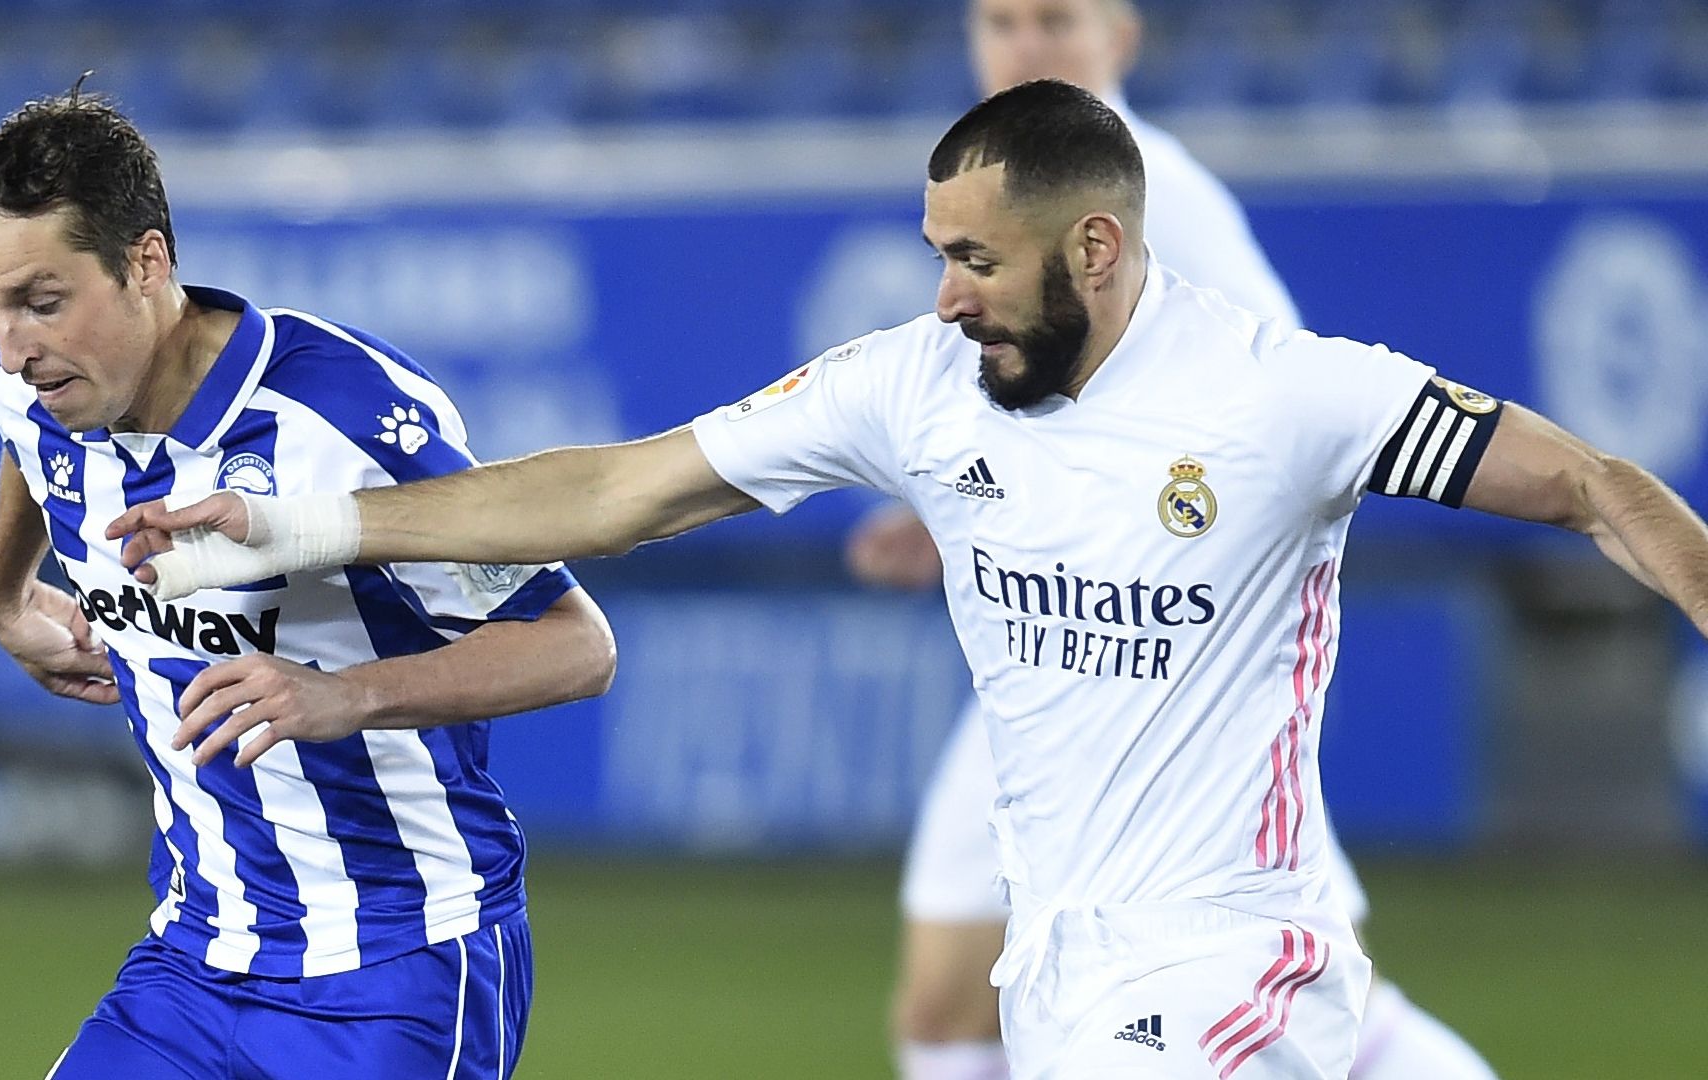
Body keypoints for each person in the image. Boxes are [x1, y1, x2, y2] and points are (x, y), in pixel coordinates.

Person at [110, 81, 1708, 1078]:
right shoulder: (917, 385)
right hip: (1059, 960)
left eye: (976, 260)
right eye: (934, 252)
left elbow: (1591, 487)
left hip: (1231, 951)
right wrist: (313, 535)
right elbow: (614, 490)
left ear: (1096, 251)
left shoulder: (1291, 397)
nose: (944, 295)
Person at [846, 3, 1499, 1078]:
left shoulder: (1149, 191)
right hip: (1066, 647)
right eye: (1001, 20)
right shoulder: (1023, 193)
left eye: (1055, 19)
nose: (1024, 46)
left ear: (1124, 36)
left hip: (1172, 667)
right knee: (954, 1002)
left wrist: (1164, 545)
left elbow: (1289, 401)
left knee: (1278, 993)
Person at [0, 89, 615, 1079]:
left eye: (43, 302)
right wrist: (3, 596)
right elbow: (20, 431)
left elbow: (576, 643)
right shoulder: (41, 389)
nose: (15, 346)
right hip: (190, 962)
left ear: (147, 262)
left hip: (397, 963)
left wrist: (343, 696)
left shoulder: (334, 421)